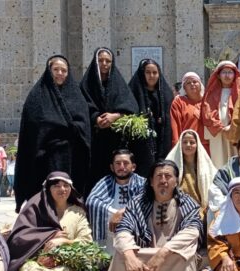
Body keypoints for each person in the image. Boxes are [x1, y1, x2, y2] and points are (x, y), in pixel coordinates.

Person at [15, 55, 91, 211]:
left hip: (70, 157)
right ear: (49, 71)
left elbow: (84, 124)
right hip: (45, 158)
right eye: (56, 69)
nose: (60, 73)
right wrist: (59, 126)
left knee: (68, 196)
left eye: (64, 70)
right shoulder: (36, 96)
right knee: (46, 198)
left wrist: (71, 127)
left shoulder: (76, 96)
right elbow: (32, 127)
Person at [81, 47, 139, 186]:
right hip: (93, 140)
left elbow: (131, 108)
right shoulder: (86, 84)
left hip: (115, 140)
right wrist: (95, 118)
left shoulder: (119, 84)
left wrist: (115, 116)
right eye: (101, 60)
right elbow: (81, 106)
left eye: (108, 61)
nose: (104, 64)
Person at [87, 149, 146, 252]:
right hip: (108, 236)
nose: (121, 167)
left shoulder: (142, 183)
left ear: (133, 167)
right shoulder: (105, 182)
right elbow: (92, 201)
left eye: (126, 163)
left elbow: (147, 201)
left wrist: (123, 212)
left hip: (133, 236)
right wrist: (112, 213)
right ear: (112, 167)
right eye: (118, 163)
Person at [128, 59, 174, 178]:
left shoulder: (166, 93)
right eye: (148, 72)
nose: (151, 76)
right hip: (141, 144)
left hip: (161, 141)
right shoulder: (132, 92)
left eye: (155, 72)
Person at [166, 130, 217, 219]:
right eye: (185, 142)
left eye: (192, 142)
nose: (188, 145)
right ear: (180, 144)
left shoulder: (206, 166)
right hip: (179, 209)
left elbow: (215, 186)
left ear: (197, 144)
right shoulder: (172, 164)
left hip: (202, 210)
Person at [201, 61, 240, 167]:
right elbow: (207, 112)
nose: (227, 75)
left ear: (234, 75)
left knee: (236, 159)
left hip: (235, 132)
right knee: (219, 161)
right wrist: (220, 127)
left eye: (230, 72)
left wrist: (232, 127)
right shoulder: (211, 93)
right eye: (224, 72)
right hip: (217, 134)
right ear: (218, 75)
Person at [171, 72, 208, 153]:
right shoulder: (178, 102)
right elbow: (175, 126)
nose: (192, 84)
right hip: (187, 146)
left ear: (200, 84)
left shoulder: (208, 101)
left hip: (207, 146)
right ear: (184, 87)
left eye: (195, 82)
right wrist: (176, 147)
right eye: (188, 83)